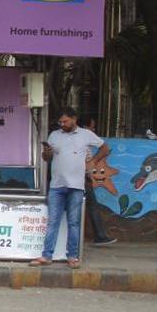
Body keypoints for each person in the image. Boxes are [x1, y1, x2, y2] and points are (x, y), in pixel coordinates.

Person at [31, 108, 109, 269]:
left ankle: (72, 256)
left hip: (76, 186)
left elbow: (105, 148)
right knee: (53, 222)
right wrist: (47, 152)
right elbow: (47, 159)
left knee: (74, 222)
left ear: (74, 119)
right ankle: (47, 255)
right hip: (57, 186)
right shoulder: (54, 135)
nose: (62, 124)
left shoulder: (85, 135)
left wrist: (92, 161)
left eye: (65, 121)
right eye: (60, 122)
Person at [80, 115, 117, 246]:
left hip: (84, 178)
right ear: (85, 128)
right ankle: (99, 235)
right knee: (92, 206)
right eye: (92, 127)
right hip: (81, 179)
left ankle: (99, 235)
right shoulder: (83, 138)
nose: (93, 130)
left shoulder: (83, 141)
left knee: (90, 206)